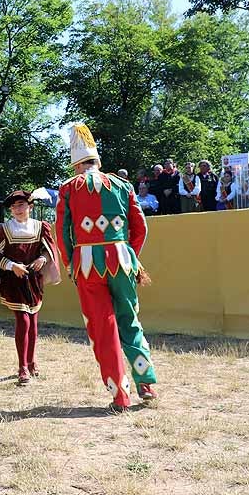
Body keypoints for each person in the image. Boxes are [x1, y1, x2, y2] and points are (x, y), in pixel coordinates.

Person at [56, 124, 157, 411]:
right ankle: (146, 383)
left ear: (76, 164)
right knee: (129, 320)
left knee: (104, 327)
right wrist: (129, 256)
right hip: (122, 262)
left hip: (87, 265)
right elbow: (140, 229)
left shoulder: (68, 189)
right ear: (98, 162)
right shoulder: (123, 186)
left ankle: (120, 395)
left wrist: (71, 264)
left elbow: (62, 234)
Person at [0, 190, 61, 385]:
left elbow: (48, 249)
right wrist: (12, 266)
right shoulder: (4, 229)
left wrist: (43, 258)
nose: (17, 209)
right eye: (14, 206)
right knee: (23, 321)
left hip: (34, 281)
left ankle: (32, 361)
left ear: (30, 207)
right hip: (13, 281)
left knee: (33, 323)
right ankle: (22, 367)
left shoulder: (40, 227)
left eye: (21, 205)